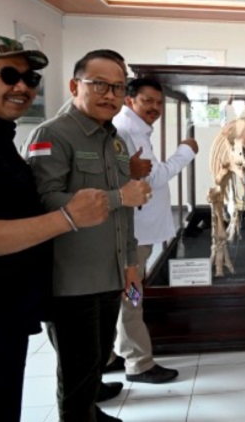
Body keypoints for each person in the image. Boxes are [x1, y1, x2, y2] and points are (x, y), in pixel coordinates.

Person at [0, 36, 109, 422]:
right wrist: (68, 217)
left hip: (4, 306)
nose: (22, 87)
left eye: (29, 77)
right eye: (7, 75)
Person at [24, 50, 152, 422]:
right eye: (99, 84)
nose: (109, 94)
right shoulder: (52, 134)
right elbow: (45, 202)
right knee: (77, 367)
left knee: (96, 357)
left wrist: (130, 265)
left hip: (109, 274)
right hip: (70, 280)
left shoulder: (114, 141)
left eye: (117, 87)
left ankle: (89, 413)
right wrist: (118, 196)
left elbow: (125, 213)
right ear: (74, 85)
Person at [106, 77, 198, 383]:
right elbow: (154, 177)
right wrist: (185, 151)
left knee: (126, 292)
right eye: (148, 101)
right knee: (131, 295)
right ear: (130, 100)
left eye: (159, 103)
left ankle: (115, 354)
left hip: (138, 232)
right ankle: (138, 361)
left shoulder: (133, 129)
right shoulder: (129, 130)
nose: (155, 108)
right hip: (134, 235)